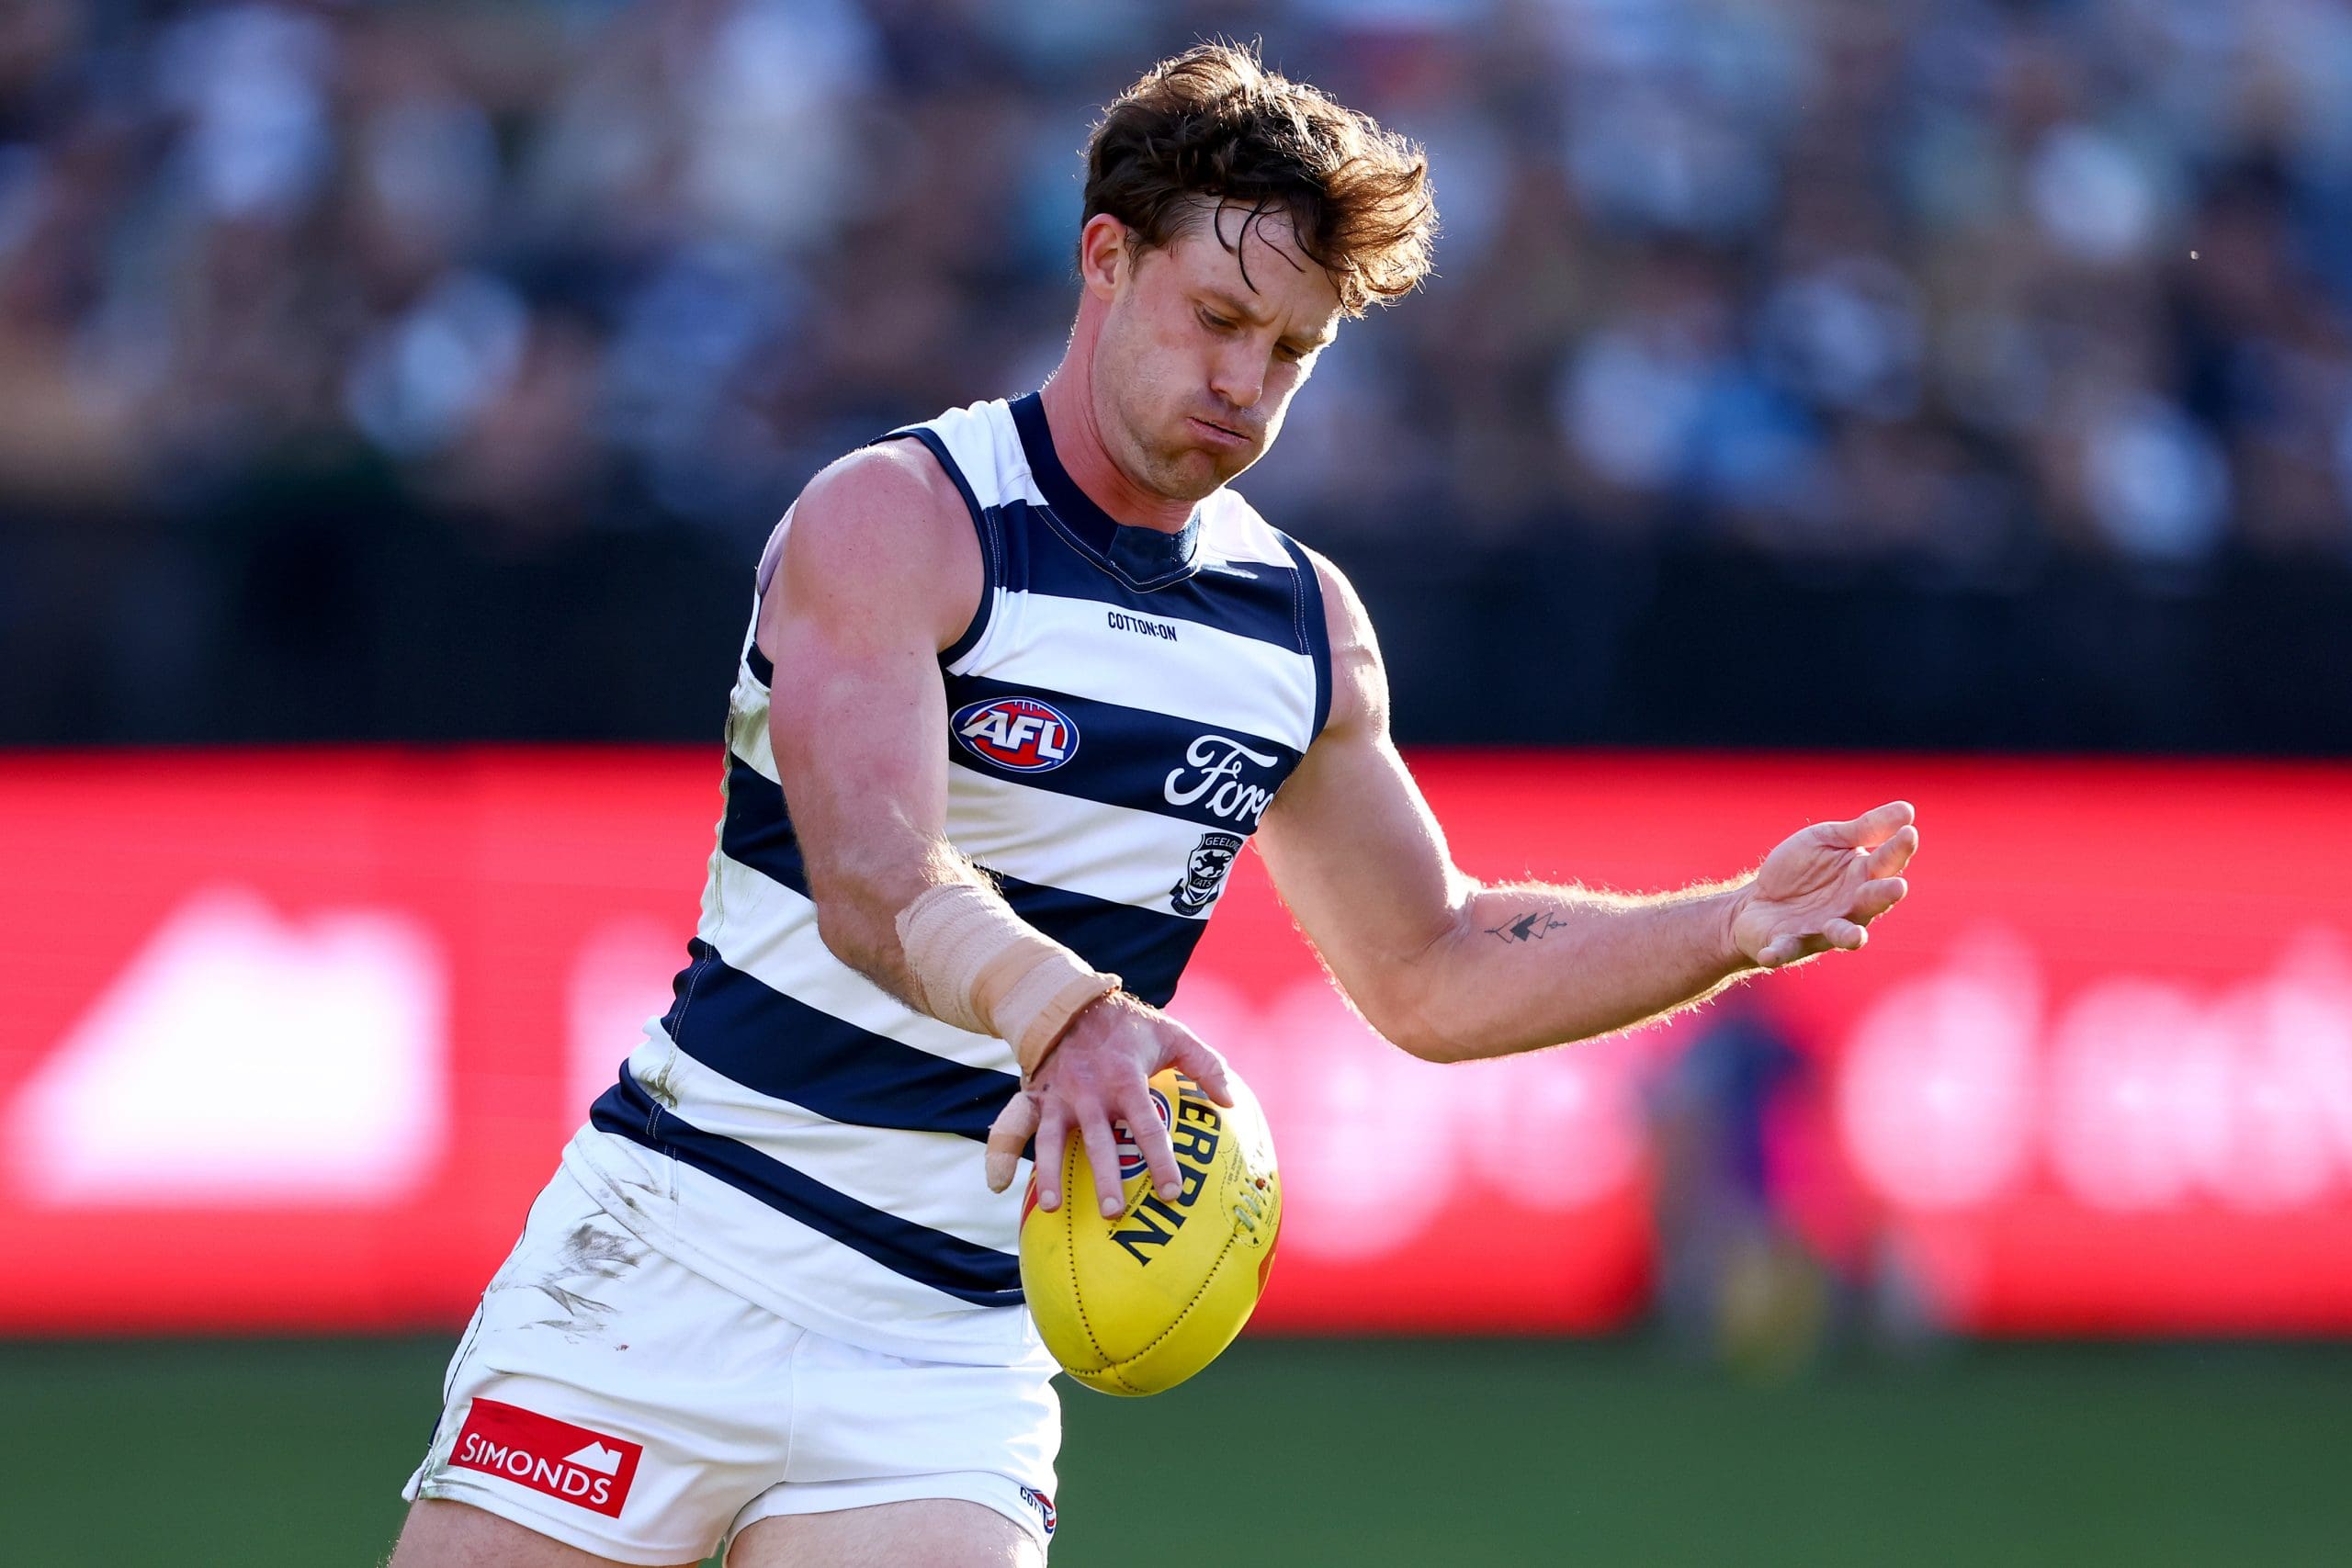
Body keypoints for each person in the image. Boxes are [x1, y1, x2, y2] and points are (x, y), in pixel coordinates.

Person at [389, 41, 1917, 1568]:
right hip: (671, 1255)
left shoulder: (1299, 628)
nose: (1245, 386)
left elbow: (1434, 966)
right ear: (1107, 261)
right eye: (1221, 320)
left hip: (951, 1349)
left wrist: (1727, 924)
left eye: (1294, 351)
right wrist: (1070, 1011)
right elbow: (871, 872)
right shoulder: (903, 516)